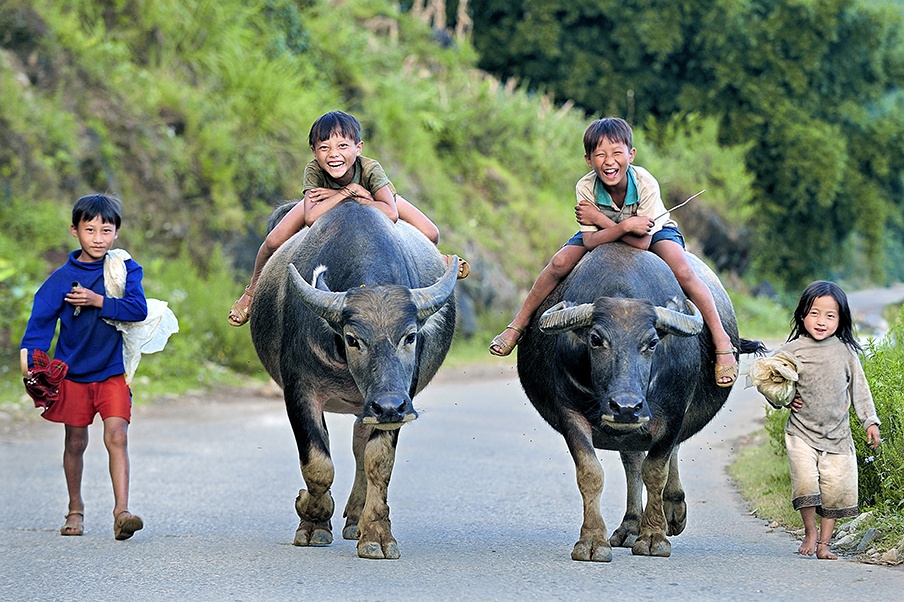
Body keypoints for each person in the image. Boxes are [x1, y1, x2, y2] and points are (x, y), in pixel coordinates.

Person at [489, 117, 739, 387]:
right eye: (600, 155)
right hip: (603, 235)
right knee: (559, 262)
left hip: (654, 233)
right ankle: (518, 324)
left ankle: (722, 342)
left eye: (617, 153)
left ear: (631, 155)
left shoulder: (645, 183)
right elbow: (590, 241)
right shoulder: (585, 186)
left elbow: (642, 244)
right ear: (588, 160)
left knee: (683, 271)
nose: (609, 161)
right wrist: (623, 226)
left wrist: (605, 219)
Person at [228, 110, 469, 326]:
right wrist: (348, 192)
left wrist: (356, 195)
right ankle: (251, 292)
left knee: (431, 234)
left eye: (343, 146)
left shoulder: (371, 168)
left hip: (373, 197)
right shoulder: (313, 170)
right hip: (333, 201)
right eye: (324, 148)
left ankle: (437, 259)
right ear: (314, 151)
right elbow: (311, 216)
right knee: (271, 242)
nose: (333, 155)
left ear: (359, 148)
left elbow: (391, 212)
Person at [21, 194, 149, 540]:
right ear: (74, 231)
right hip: (73, 374)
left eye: (105, 230)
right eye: (89, 229)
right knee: (75, 442)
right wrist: (33, 363)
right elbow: (40, 323)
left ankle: (121, 511)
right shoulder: (62, 279)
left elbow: (138, 310)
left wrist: (98, 301)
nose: (97, 238)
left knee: (117, 436)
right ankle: (74, 509)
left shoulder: (123, 269)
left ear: (117, 233)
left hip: (112, 371)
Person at [769, 280, 881, 559]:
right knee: (806, 483)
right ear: (802, 315)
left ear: (840, 319)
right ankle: (810, 533)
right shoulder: (792, 350)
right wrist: (783, 399)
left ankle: (825, 544)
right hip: (801, 432)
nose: (821, 321)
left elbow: (860, 390)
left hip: (838, 436)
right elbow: (769, 381)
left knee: (835, 488)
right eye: (814, 313)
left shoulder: (846, 352)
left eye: (830, 315)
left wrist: (870, 421)